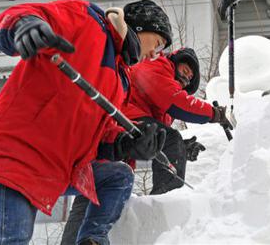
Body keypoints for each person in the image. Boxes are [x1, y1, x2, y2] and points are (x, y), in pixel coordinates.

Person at [0, 0, 172, 245]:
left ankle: (92, 240)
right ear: (140, 28)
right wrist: (25, 25)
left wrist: (125, 143)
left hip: (59, 166)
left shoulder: (120, 78)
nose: (153, 55)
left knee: (118, 176)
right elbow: (17, 13)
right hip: (17, 155)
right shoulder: (87, 19)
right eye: (158, 44)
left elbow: (99, 132)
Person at [60, 47, 232, 244]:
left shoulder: (162, 108)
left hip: (117, 145)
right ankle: (166, 201)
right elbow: (175, 103)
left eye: (190, 76)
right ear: (175, 62)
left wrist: (181, 150)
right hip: (121, 123)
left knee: (92, 192)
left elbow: (154, 144)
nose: (186, 76)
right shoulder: (157, 67)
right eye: (185, 69)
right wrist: (213, 114)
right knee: (169, 138)